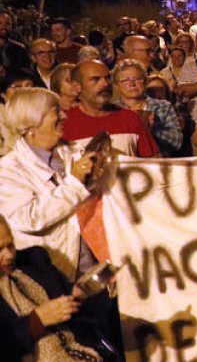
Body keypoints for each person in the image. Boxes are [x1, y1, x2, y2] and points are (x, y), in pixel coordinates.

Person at [0, 88, 107, 281]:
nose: (64, 115)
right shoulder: (8, 171)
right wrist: (74, 184)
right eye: (55, 112)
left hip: (98, 263)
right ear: (32, 123)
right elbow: (27, 218)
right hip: (57, 274)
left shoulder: (74, 151)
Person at [0, 213, 119, 360]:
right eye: (0, 250)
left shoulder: (33, 261)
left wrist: (78, 296)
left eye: (10, 245)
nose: (9, 255)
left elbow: (81, 315)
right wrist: (36, 321)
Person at [62, 61, 157, 158]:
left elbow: (154, 163)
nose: (105, 84)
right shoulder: (63, 124)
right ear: (77, 86)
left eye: (107, 78)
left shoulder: (130, 118)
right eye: (96, 79)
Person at [112, 60, 186, 158]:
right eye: (125, 80)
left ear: (145, 81)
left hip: (157, 165)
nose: (132, 84)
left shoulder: (163, 106)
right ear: (117, 85)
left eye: (137, 79)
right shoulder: (111, 110)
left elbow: (177, 142)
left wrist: (151, 130)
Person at [0, 12, 31, 79]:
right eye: (0, 23)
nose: (3, 27)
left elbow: (28, 72)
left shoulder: (20, 49)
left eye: (7, 24)